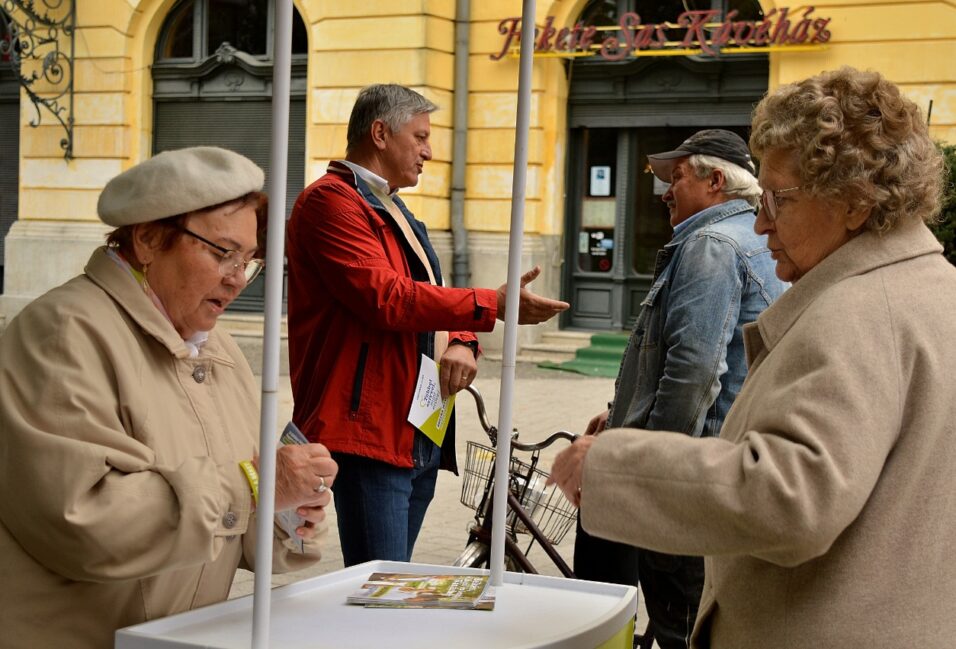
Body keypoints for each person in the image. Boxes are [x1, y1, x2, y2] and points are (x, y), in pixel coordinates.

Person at [549, 66, 955, 648]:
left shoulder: (861, 310)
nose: (760, 222)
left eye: (777, 201)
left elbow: (790, 496)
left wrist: (612, 464)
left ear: (854, 202)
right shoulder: (930, 285)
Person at [0, 147, 338, 649]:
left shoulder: (218, 347)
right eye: (222, 252)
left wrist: (290, 515)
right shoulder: (63, 331)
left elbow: (235, 513)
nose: (237, 278)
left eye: (249, 261)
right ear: (148, 239)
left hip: (177, 638)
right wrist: (254, 486)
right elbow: (83, 521)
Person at [285, 84, 567, 567]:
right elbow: (386, 298)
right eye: (419, 137)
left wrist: (461, 342)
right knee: (383, 587)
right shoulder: (330, 202)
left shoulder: (392, 206)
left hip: (419, 421)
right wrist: (491, 305)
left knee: (395, 578)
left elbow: (432, 290)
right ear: (379, 133)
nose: (429, 152)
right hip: (370, 430)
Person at [572, 129, 787, 648]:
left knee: (678, 624)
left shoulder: (711, 244)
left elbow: (694, 371)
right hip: (723, 463)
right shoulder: (754, 239)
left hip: (689, 477)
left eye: (678, 177)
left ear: (716, 181)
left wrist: (650, 462)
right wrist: (623, 412)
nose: (664, 191)